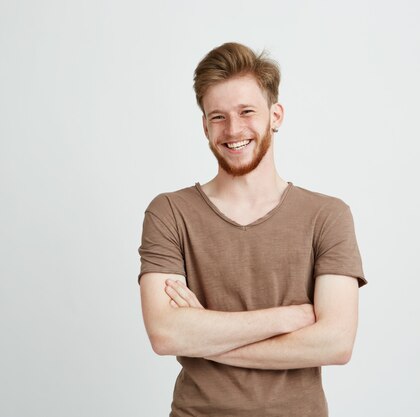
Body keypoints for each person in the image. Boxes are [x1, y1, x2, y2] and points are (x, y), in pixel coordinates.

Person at [138, 42, 367, 417]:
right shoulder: (170, 212)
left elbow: (336, 342)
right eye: (218, 117)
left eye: (247, 112)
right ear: (204, 125)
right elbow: (166, 335)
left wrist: (205, 336)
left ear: (275, 115)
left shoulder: (327, 215)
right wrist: (286, 317)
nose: (233, 129)